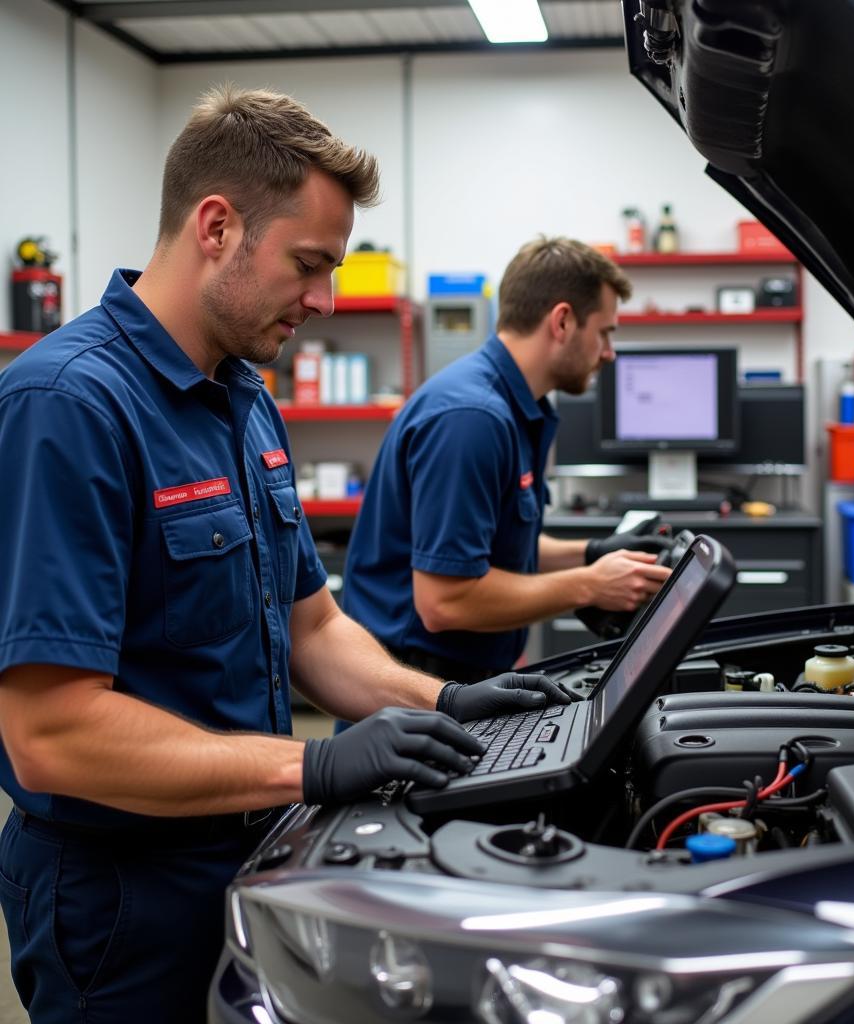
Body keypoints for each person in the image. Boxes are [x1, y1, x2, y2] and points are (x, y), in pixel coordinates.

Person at [0, 86, 568, 1024]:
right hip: (123, 897)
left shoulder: (245, 395)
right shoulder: (68, 406)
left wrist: (443, 704)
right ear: (216, 226)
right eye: (309, 264)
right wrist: (309, 766)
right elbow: (50, 733)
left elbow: (311, 625)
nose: (325, 299)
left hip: (250, 851)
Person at [342, 237, 675, 685]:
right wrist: (591, 584)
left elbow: (487, 548)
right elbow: (445, 601)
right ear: (562, 321)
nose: (609, 353)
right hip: (416, 691)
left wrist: (592, 552)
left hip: (461, 677)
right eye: (605, 332)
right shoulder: (471, 420)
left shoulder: (514, 409)